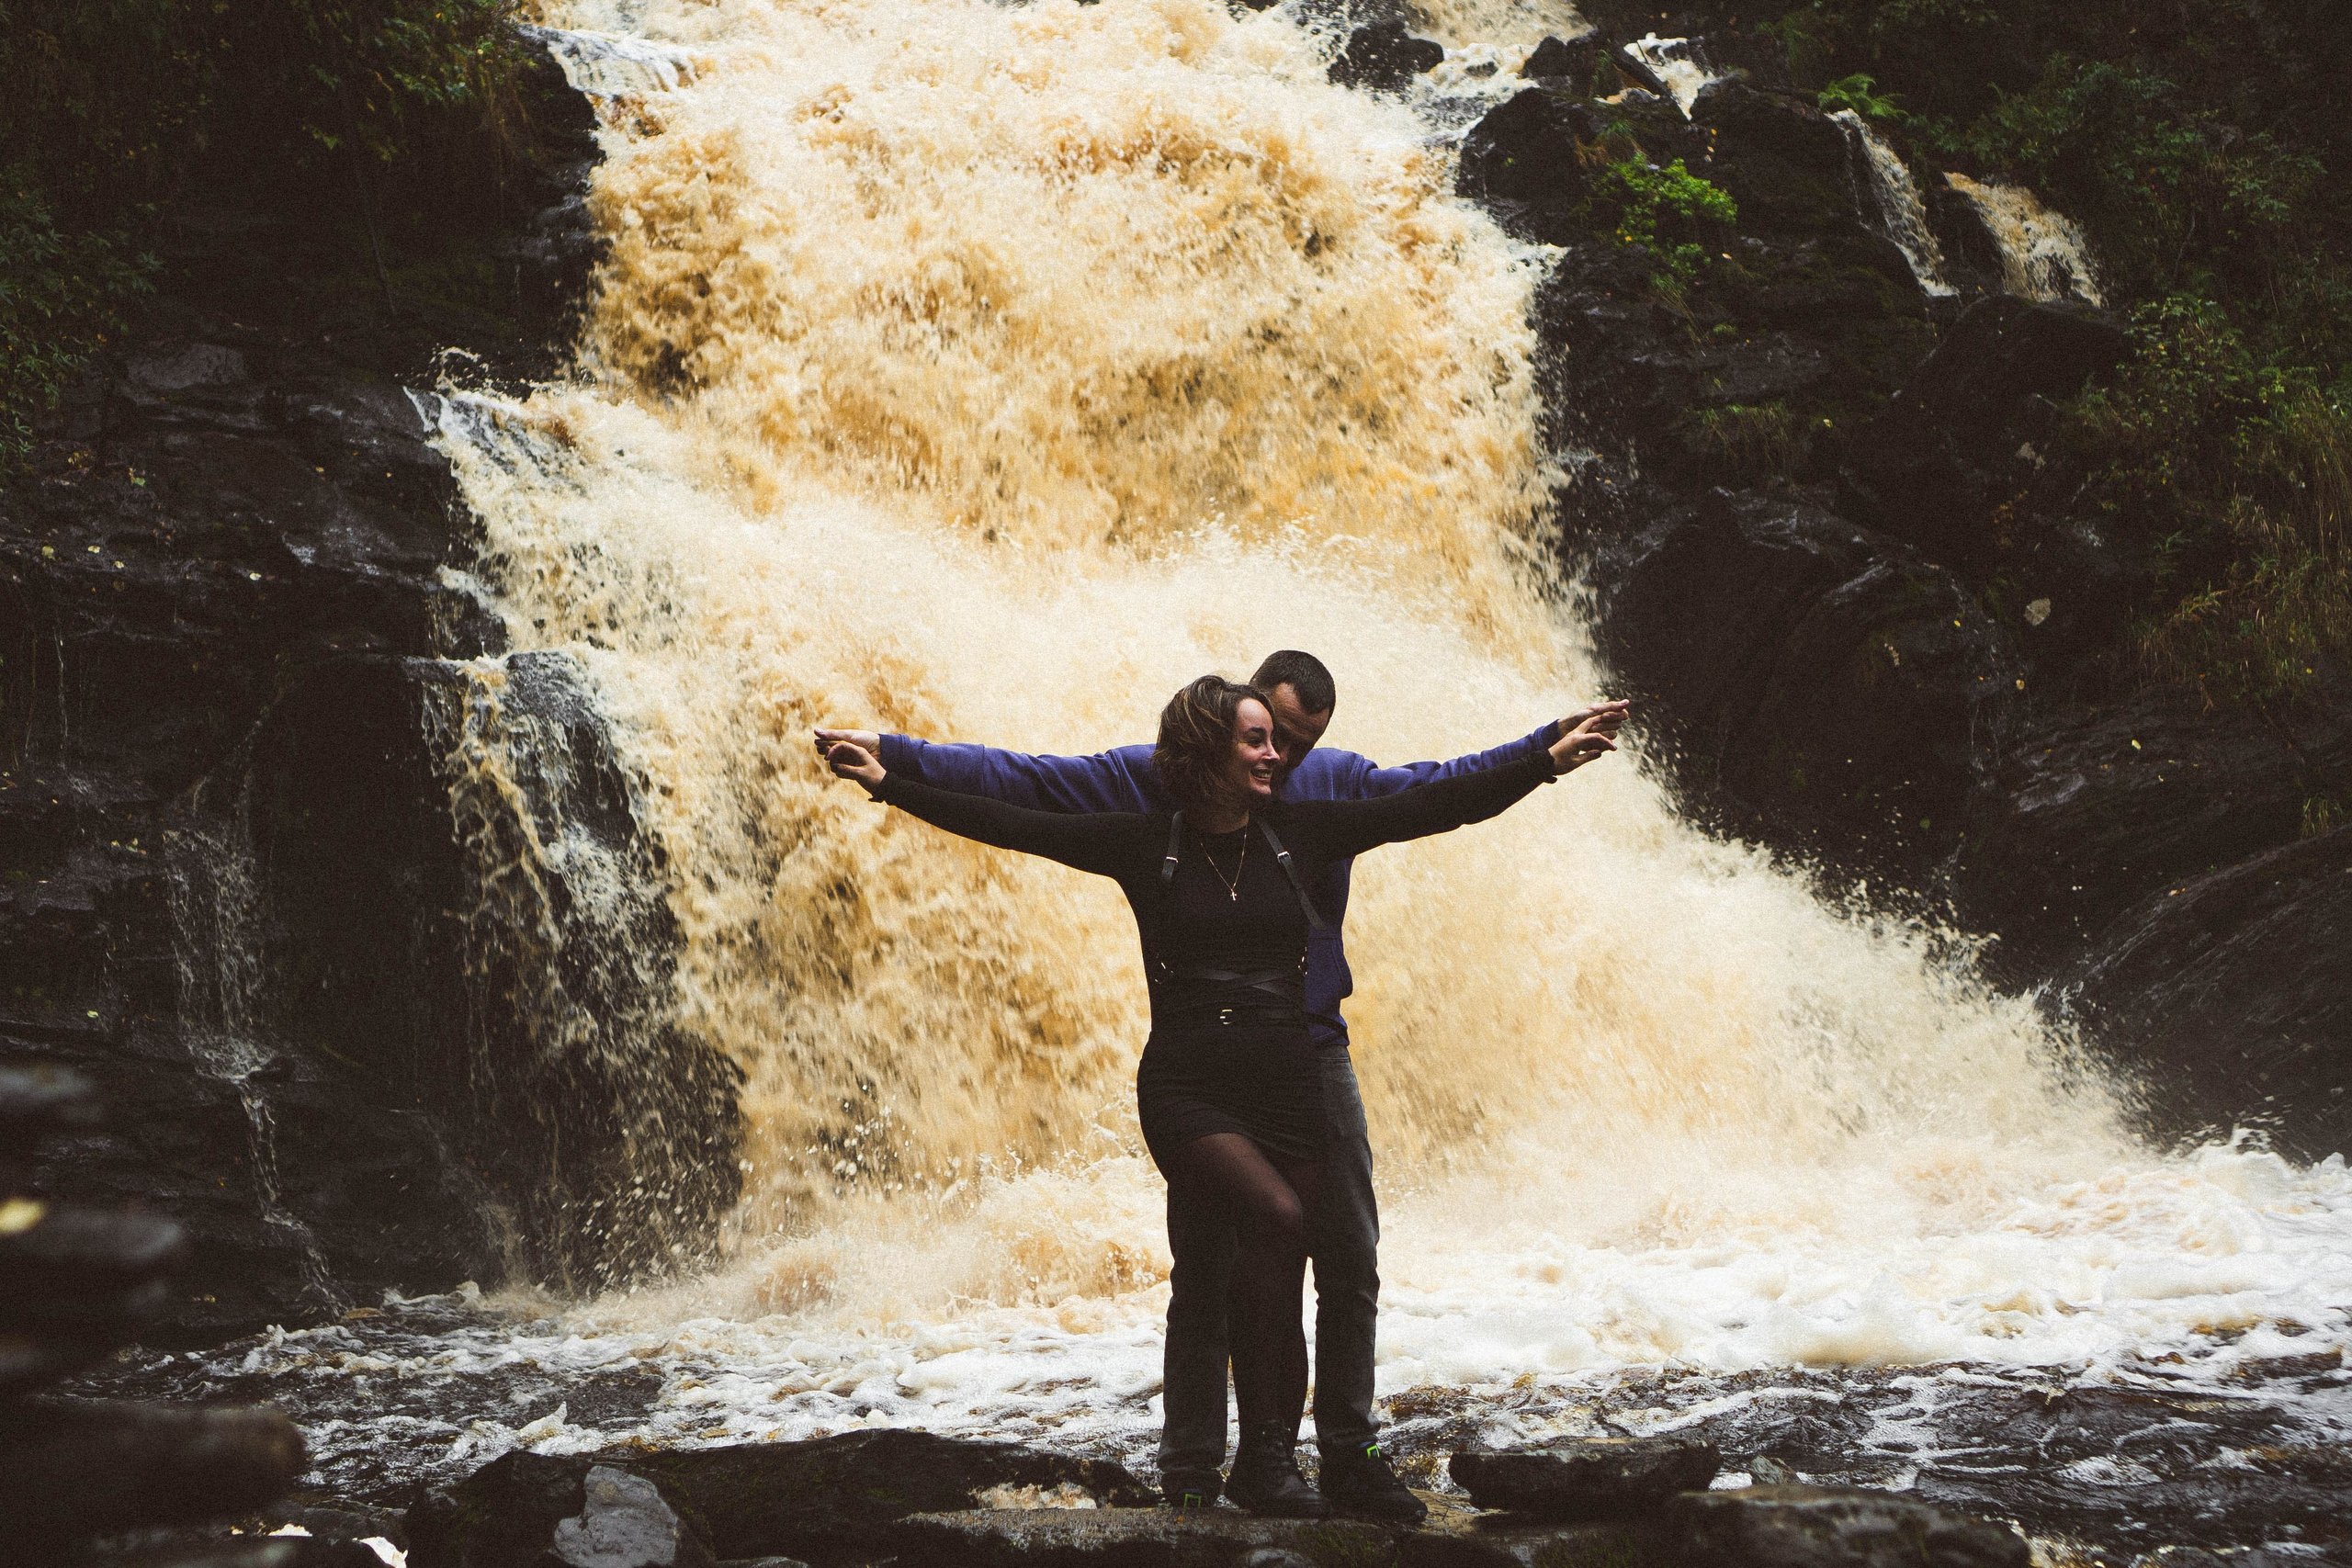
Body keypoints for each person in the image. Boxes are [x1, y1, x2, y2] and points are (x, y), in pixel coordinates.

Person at [817, 653, 1627, 1520]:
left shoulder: (1308, 818)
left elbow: (1434, 799)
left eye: (1293, 742)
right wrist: (892, 775)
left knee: (1312, 1256)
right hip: (1195, 1082)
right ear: (1215, 744)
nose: (1283, 756)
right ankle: (1196, 1466)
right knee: (1246, 1239)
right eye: (1266, 738)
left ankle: (1287, 1458)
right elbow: (1014, 807)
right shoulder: (1143, 824)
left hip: (1296, 1072)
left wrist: (1542, 756)